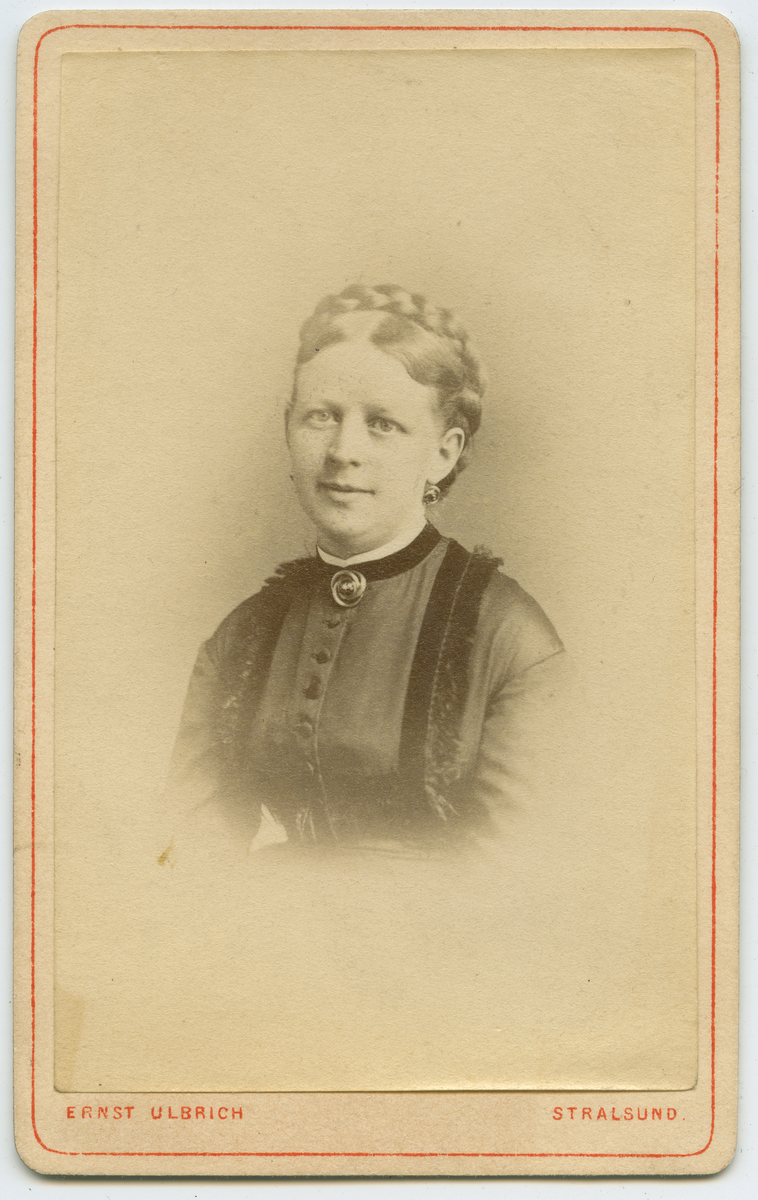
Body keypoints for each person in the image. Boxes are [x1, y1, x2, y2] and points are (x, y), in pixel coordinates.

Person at [165, 283, 564, 858]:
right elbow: (188, 857)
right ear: (287, 428)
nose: (342, 451)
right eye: (321, 416)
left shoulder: (508, 636)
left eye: (382, 423)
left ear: (444, 452)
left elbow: (520, 874)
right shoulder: (243, 637)